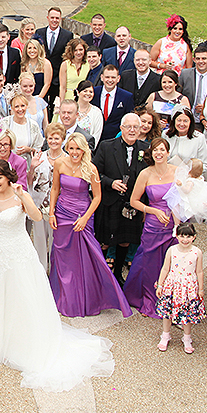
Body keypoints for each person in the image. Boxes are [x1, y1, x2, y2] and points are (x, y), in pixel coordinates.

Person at [0, 159, 115, 390]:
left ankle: (21, 342)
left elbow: (37, 217)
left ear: (8, 177)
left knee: (22, 298)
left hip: (18, 255)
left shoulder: (20, 195)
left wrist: (23, 195)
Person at [48, 133, 132, 318]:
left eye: (78, 148)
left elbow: (97, 197)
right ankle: (63, 295)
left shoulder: (91, 169)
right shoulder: (60, 164)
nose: (75, 152)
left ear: (84, 149)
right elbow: (55, 188)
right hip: (62, 213)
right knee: (62, 255)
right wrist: (52, 212)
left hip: (81, 215)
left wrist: (85, 218)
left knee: (83, 256)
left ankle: (88, 296)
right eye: (71, 148)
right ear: (67, 149)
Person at [124, 138, 178, 318]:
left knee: (171, 263)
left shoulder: (177, 172)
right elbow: (134, 201)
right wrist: (153, 210)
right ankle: (150, 297)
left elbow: (184, 198)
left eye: (162, 150)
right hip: (153, 225)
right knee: (150, 262)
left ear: (168, 152)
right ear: (151, 153)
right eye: (156, 150)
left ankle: (170, 298)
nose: (159, 153)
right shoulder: (145, 174)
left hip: (172, 224)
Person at [92, 114, 149, 285]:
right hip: (110, 202)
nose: (132, 130)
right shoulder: (106, 146)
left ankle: (117, 275)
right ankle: (101, 276)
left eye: (135, 127)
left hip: (132, 204)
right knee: (104, 242)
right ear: (121, 128)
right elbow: (94, 174)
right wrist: (111, 183)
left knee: (125, 241)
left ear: (140, 130)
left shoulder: (146, 149)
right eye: (128, 127)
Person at [155, 222, 204, 353]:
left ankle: (187, 338)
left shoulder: (197, 252)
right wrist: (160, 284)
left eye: (188, 236)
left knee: (187, 313)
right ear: (177, 236)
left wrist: (200, 289)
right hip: (172, 284)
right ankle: (165, 335)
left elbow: (199, 271)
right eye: (182, 236)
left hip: (188, 286)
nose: (185, 239)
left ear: (194, 237)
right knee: (167, 312)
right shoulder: (172, 250)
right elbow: (165, 268)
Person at [31, 123, 66, 268]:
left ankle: (54, 273)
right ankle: (41, 271)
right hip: (39, 204)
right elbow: (30, 181)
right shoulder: (40, 156)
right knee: (39, 240)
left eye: (57, 138)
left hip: (59, 207)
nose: (53, 141)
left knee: (55, 242)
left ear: (63, 139)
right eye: (50, 138)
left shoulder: (67, 159)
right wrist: (32, 167)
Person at [35, 7, 73, 114]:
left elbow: (68, 56)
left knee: (54, 107)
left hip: (58, 78)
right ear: (48, 18)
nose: (54, 20)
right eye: (52, 17)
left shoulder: (67, 35)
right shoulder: (39, 32)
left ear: (60, 19)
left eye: (57, 18)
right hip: (42, 76)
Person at [93, 65, 134, 141]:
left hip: (116, 139)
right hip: (94, 137)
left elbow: (128, 118)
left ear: (118, 78)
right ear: (102, 77)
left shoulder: (127, 96)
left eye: (113, 77)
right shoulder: (93, 93)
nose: (110, 80)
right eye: (107, 77)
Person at [0, 94, 44, 160]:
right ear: (12, 108)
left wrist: (29, 150)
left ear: (27, 106)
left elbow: (38, 148)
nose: (20, 109)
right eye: (16, 106)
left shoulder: (33, 125)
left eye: (23, 106)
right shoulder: (4, 123)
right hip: (7, 163)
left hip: (26, 164)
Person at [179, 46, 207, 124]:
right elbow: (177, 95)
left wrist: (206, 107)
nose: (201, 61)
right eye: (198, 59)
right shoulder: (185, 74)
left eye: (204, 58)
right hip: (186, 119)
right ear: (194, 59)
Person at [58, 38, 89, 103]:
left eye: (81, 50)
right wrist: (62, 103)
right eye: (75, 50)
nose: (78, 52)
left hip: (83, 98)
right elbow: (62, 87)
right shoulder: (65, 64)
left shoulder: (88, 64)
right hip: (68, 98)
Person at [74, 81, 103, 148]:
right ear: (78, 92)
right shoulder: (69, 108)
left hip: (87, 149)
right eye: (85, 91)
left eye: (91, 92)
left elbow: (97, 134)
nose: (88, 94)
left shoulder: (96, 112)